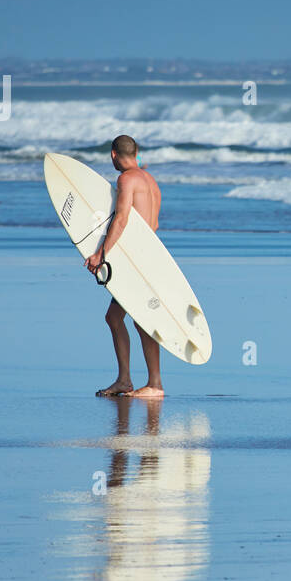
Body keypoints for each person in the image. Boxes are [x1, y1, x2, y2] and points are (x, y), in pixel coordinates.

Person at [86, 135, 166, 397]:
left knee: (142, 320)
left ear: (113, 155)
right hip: (149, 258)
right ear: (137, 152)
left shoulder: (126, 179)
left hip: (138, 262)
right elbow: (151, 226)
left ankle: (155, 384)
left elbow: (121, 219)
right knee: (115, 317)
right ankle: (124, 380)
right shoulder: (150, 181)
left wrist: (101, 254)